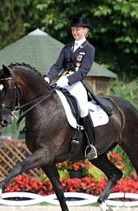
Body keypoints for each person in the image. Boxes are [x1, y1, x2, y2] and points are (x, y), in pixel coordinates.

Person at [44, 17, 97, 160]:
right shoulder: (67, 47)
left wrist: (68, 79)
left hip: (76, 83)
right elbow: (57, 66)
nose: (75, 32)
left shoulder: (89, 49)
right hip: (61, 81)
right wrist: (48, 77)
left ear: (85, 31)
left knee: (83, 109)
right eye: (73, 30)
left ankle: (91, 145)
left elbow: (83, 71)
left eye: (78, 30)